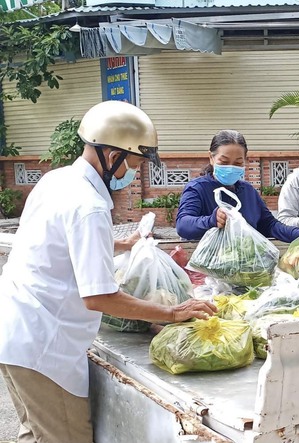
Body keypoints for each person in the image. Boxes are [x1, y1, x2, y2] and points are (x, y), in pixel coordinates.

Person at [0, 101, 217, 443]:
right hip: (43, 344)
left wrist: (119, 245)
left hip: (14, 332)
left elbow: (48, 239)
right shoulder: (89, 205)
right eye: (134, 161)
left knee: (34, 434)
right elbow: (99, 296)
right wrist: (172, 312)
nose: (135, 171)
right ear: (111, 154)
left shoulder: (57, 180)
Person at [176, 130, 299, 243]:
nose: (230, 168)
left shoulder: (248, 191)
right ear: (211, 158)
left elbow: (268, 224)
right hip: (208, 268)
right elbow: (183, 225)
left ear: (245, 162)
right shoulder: (197, 189)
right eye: (224, 162)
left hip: (246, 265)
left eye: (237, 163)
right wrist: (211, 220)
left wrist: (296, 233)